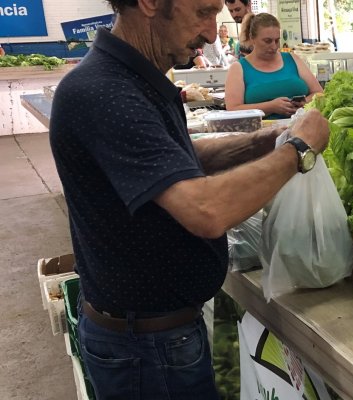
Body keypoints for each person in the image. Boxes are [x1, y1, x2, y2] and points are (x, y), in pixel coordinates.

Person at [48, 0, 329, 398]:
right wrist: (299, 150)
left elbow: (174, 163)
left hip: (160, 335)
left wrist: (267, 140)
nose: (212, 32)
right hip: (144, 349)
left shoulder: (137, 80)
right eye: (202, 11)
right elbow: (206, 211)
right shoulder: (106, 92)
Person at [225, 13, 323, 119]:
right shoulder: (238, 68)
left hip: (301, 129)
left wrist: (304, 103)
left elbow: (318, 93)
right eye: (267, 41)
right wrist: (270, 107)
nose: (274, 46)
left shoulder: (293, 59)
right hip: (260, 134)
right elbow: (233, 109)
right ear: (252, 38)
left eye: (277, 40)